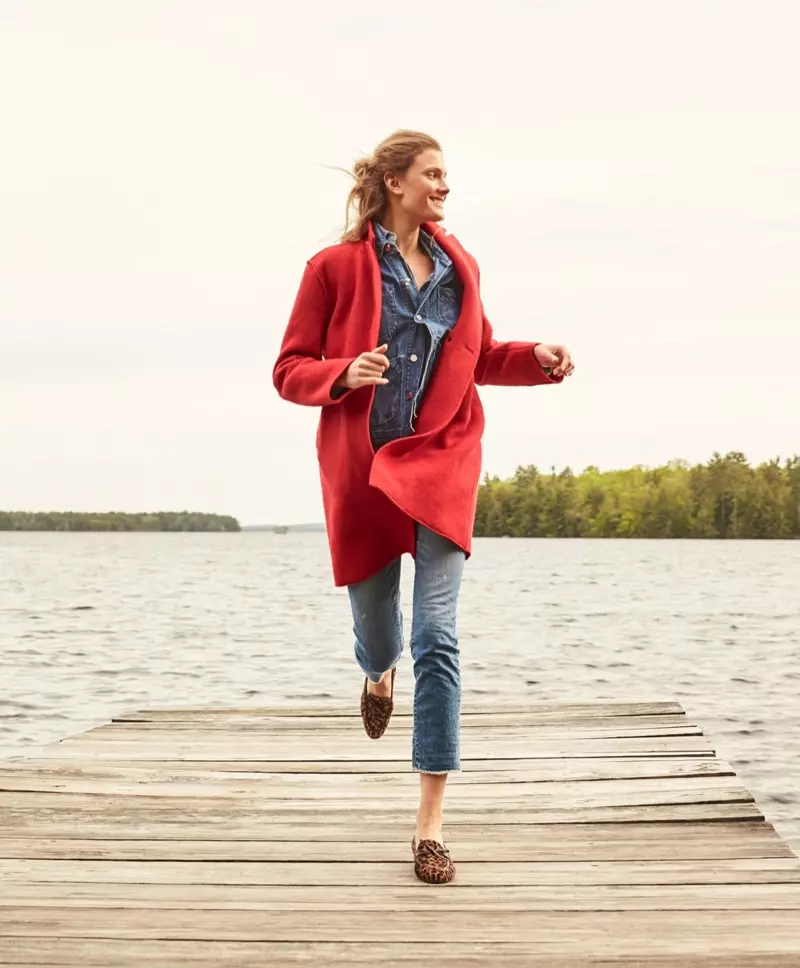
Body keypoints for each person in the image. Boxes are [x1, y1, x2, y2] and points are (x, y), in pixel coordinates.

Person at [273, 130, 573, 884]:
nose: (445, 187)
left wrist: (533, 358)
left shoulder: (458, 267)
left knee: (437, 638)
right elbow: (288, 369)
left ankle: (430, 825)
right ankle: (377, 675)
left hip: (440, 470)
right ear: (397, 184)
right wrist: (343, 373)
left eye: (447, 175)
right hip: (365, 476)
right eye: (434, 175)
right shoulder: (334, 268)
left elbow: (482, 355)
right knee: (382, 636)